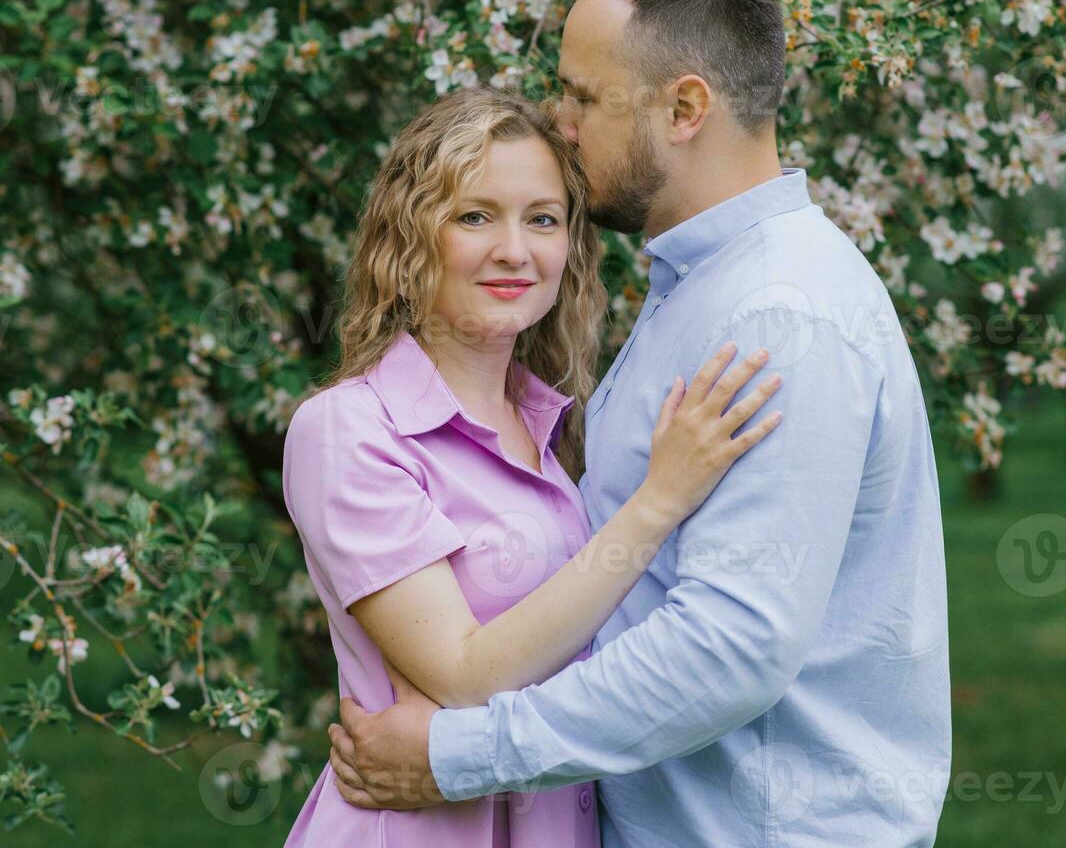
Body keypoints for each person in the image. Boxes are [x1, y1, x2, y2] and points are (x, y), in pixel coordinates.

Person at [327, 0, 953, 847]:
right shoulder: (703, 289)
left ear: (684, 107)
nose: (561, 121)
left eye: (582, 95)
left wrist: (461, 754)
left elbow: (727, 646)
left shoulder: (776, 318)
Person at [280, 84, 784, 846]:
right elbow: (462, 673)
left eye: (541, 219)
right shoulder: (349, 429)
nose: (514, 250)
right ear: (411, 235)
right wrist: (661, 498)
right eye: (474, 216)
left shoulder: (555, 431)